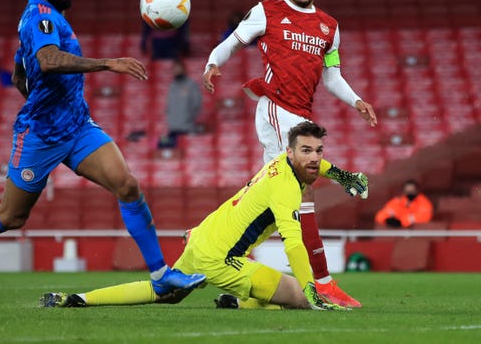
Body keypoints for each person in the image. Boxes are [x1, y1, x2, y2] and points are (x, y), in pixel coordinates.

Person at [0, 0, 205, 296]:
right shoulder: (41, 17)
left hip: (77, 126)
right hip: (40, 133)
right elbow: (49, 61)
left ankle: (160, 274)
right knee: (11, 217)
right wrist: (108, 63)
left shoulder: (49, 18)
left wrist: (35, 85)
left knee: (127, 185)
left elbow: (19, 74)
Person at [202, 0, 377, 308]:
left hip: (301, 114)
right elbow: (235, 41)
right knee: (303, 189)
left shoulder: (329, 27)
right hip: (276, 109)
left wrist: (356, 100)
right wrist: (212, 63)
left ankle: (245, 286)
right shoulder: (268, 11)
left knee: (276, 199)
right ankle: (324, 284)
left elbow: (332, 75)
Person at [40, 122, 362, 310]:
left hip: (202, 237)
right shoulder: (287, 188)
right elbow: (293, 244)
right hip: (222, 259)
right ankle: (241, 301)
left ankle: (77, 299)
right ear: (290, 151)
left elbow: (316, 165)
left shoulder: (284, 160)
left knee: (166, 293)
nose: (315, 158)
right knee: (301, 298)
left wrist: (344, 176)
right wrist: (310, 288)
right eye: (307, 150)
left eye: (319, 150)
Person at [161, 60, 202, 146]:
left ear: (183, 69)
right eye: (174, 69)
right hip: (173, 129)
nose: (176, 71)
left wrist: (188, 119)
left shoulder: (191, 85)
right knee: (163, 145)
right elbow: (169, 106)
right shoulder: (172, 86)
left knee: (188, 154)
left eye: (178, 68)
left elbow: (197, 104)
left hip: (187, 128)